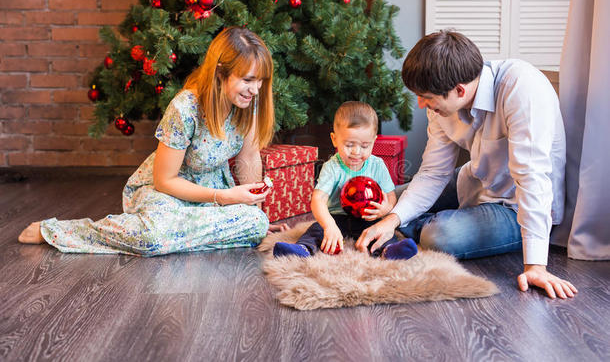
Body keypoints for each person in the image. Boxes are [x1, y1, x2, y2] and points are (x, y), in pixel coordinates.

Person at [18, 26, 289, 255]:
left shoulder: (248, 104)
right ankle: (59, 231)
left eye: (261, 81)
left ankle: (180, 237)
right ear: (220, 73)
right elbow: (164, 180)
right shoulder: (186, 108)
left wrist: (257, 213)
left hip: (212, 199)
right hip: (166, 193)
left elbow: (249, 158)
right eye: (248, 80)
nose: (256, 90)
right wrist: (224, 198)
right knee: (152, 237)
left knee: (254, 224)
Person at [355, 30, 578, 299]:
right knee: (384, 201)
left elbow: (532, 180)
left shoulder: (521, 88)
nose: (421, 103)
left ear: (459, 90)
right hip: (474, 179)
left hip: (516, 205)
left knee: (439, 237)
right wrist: (392, 218)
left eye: (426, 96)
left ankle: (422, 229)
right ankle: (409, 227)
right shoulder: (442, 103)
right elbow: (433, 173)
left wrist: (536, 267)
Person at [273, 101, 418, 260]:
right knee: (316, 230)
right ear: (335, 139)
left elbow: (391, 197)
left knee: (381, 232)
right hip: (337, 218)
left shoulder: (378, 165)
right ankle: (302, 248)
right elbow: (318, 199)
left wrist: (384, 210)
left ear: (374, 141)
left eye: (364, 146)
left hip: (368, 218)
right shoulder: (331, 167)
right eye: (349, 145)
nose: (356, 152)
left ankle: (390, 250)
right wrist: (329, 225)